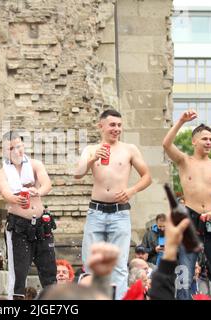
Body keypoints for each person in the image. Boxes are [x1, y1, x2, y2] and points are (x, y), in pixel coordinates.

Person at [74, 109, 152, 299]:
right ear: (101, 126)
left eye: (119, 125)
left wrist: (131, 190)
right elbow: (77, 173)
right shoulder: (91, 149)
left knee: (119, 264)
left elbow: (147, 177)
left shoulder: (129, 149)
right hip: (96, 211)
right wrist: (93, 159)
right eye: (112, 125)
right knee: (90, 263)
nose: (116, 129)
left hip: (120, 213)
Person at [162, 110, 211, 300]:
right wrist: (180, 121)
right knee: (185, 271)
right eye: (204, 138)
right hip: (189, 219)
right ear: (194, 141)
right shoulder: (184, 161)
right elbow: (166, 144)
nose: (209, 142)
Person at [0, 131, 56, 300]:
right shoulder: (2, 172)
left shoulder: (35, 164)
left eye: (19, 146)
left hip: (41, 224)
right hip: (19, 226)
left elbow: (47, 184)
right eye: (12, 148)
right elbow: (6, 193)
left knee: (49, 270)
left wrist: (38, 191)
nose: (17, 151)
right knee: (18, 274)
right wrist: (17, 199)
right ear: (5, 151)